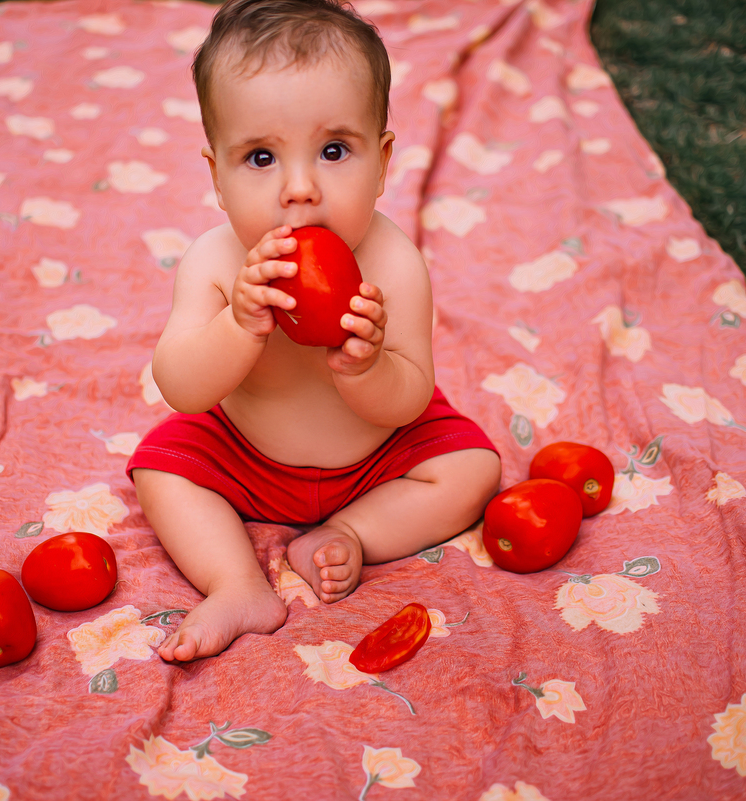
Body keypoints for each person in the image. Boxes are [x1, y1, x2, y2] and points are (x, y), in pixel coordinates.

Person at [126, 0, 501, 662]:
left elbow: (410, 397)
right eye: (261, 157)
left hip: (375, 456)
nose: (300, 188)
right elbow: (181, 385)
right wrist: (238, 326)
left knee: (473, 467)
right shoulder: (215, 264)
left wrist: (370, 365)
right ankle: (238, 583)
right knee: (162, 469)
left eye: (334, 150)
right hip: (245, 451)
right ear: (216, 175)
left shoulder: (394, 263)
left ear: (383, 163)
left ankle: (349, 532)